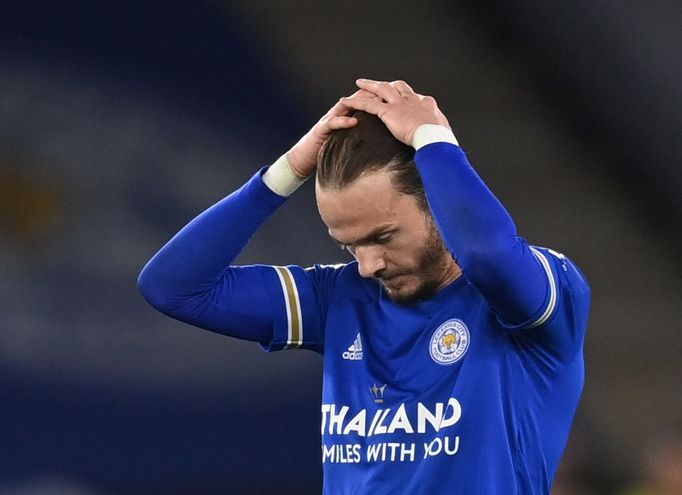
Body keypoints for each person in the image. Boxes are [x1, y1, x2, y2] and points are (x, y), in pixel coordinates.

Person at [138, 79, 591, 494]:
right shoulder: (339, 298)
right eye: (348, 246)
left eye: (382, 237)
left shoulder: (536, 295)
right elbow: (173, 287)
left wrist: (433, 140)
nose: (369, 264)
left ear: (438, 205)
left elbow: (486, 254)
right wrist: (288, 170)